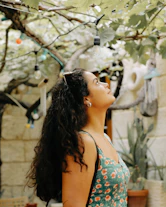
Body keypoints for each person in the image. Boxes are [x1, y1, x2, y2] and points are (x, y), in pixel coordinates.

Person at [27, 68, 130, 207]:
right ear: (85, 98)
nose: (106, 85)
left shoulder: (105, 138)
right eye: (97, 82)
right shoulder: (84, 142)